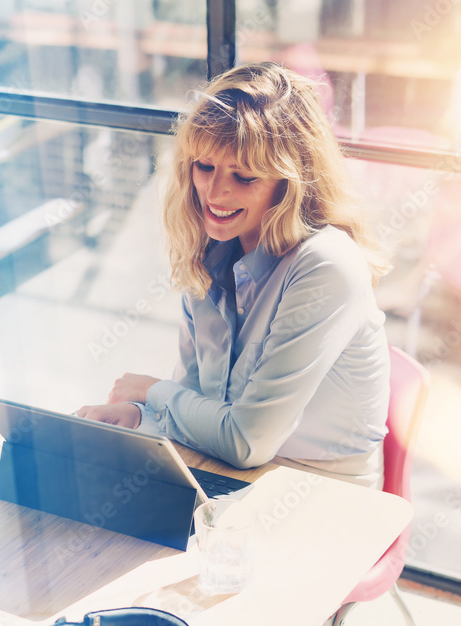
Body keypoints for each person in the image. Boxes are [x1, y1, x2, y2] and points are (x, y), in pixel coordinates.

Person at [75, 62, 392, 488]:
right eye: (204, 167)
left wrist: (152, 392)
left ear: (289, 184)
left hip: (321, 493)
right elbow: (198, 403)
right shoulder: (213, 252)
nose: (215, 193)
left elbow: (246, 441)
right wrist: (140, 415)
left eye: (243, 176)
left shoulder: (326, 266)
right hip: (228, 471)